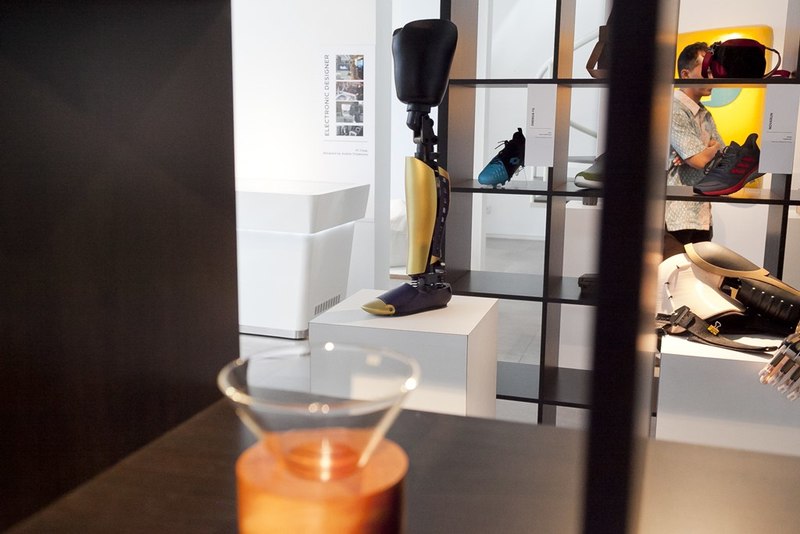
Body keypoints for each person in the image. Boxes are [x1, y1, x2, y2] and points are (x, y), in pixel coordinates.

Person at [663, 42, 725, 259]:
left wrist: (707, 151)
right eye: (706, 70)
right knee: (674, 276)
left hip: (701, 214)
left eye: (712, 71)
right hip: (677, 216)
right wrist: (707, 149)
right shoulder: (674, 109)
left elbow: (724, 156)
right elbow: (698, 161)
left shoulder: (704, 113)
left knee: (700, 275)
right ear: (685, 74)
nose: (712, 78)